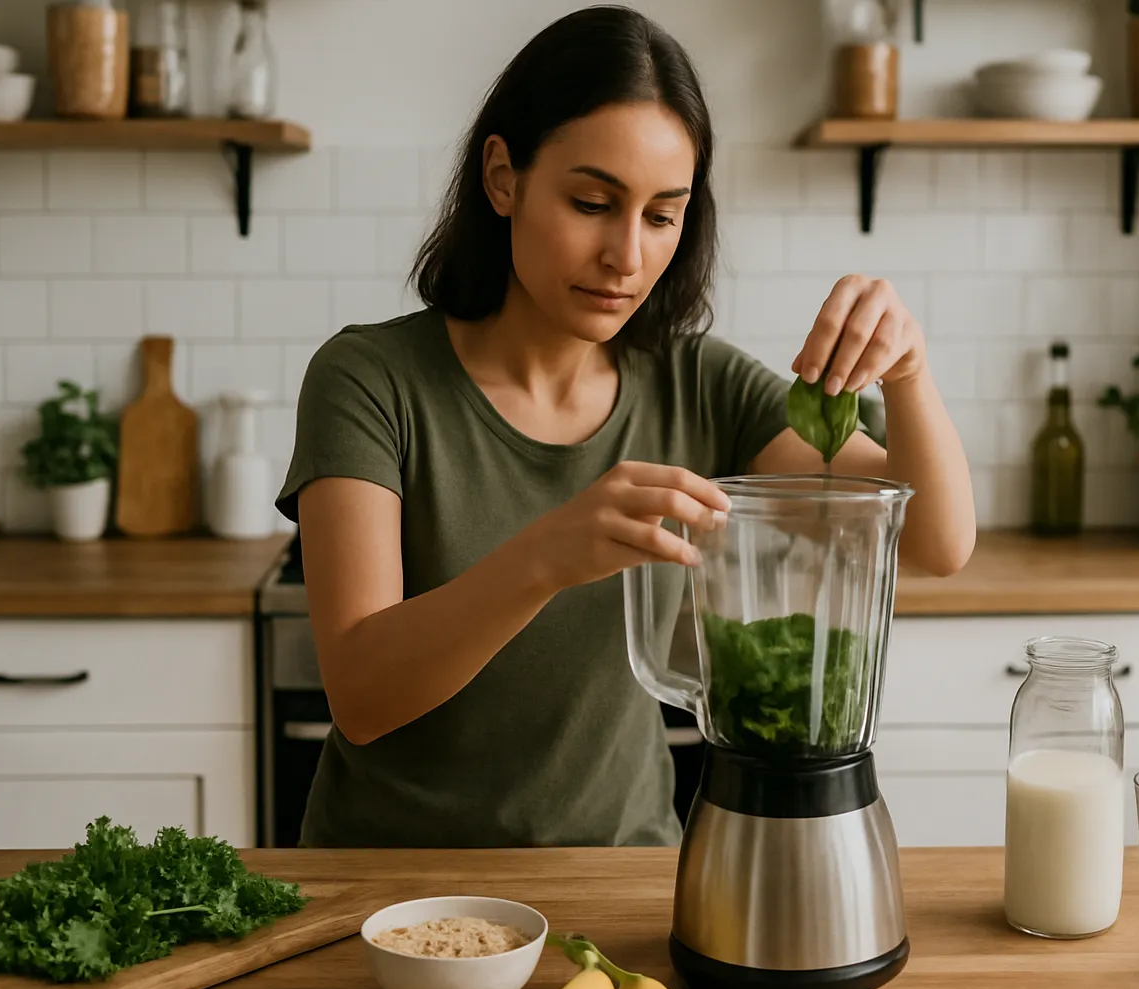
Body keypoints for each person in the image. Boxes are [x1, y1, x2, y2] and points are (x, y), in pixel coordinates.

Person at [277, 4, 975, 849]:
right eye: (592, 202)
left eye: (660, 215)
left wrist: (909, 374)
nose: (628, 256)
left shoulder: (698, 383)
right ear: (504, 178)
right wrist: (546, 556)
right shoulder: (368, 380)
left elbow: (937, 542)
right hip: (385, 894)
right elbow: (361, 694)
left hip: (618, 881)